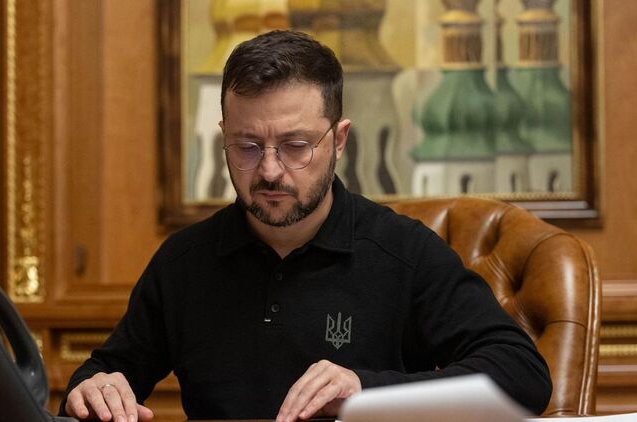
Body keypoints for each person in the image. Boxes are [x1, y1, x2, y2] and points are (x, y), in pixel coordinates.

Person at [60, 30, 552, 422]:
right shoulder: (184, 263)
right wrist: (93, 389)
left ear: (339, 141)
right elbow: (103, 375)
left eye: (296, 146)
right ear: (223, 137)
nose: (270, 170)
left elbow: (522, 374)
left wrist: (365, 390)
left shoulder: (404, 252)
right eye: (247, 146)